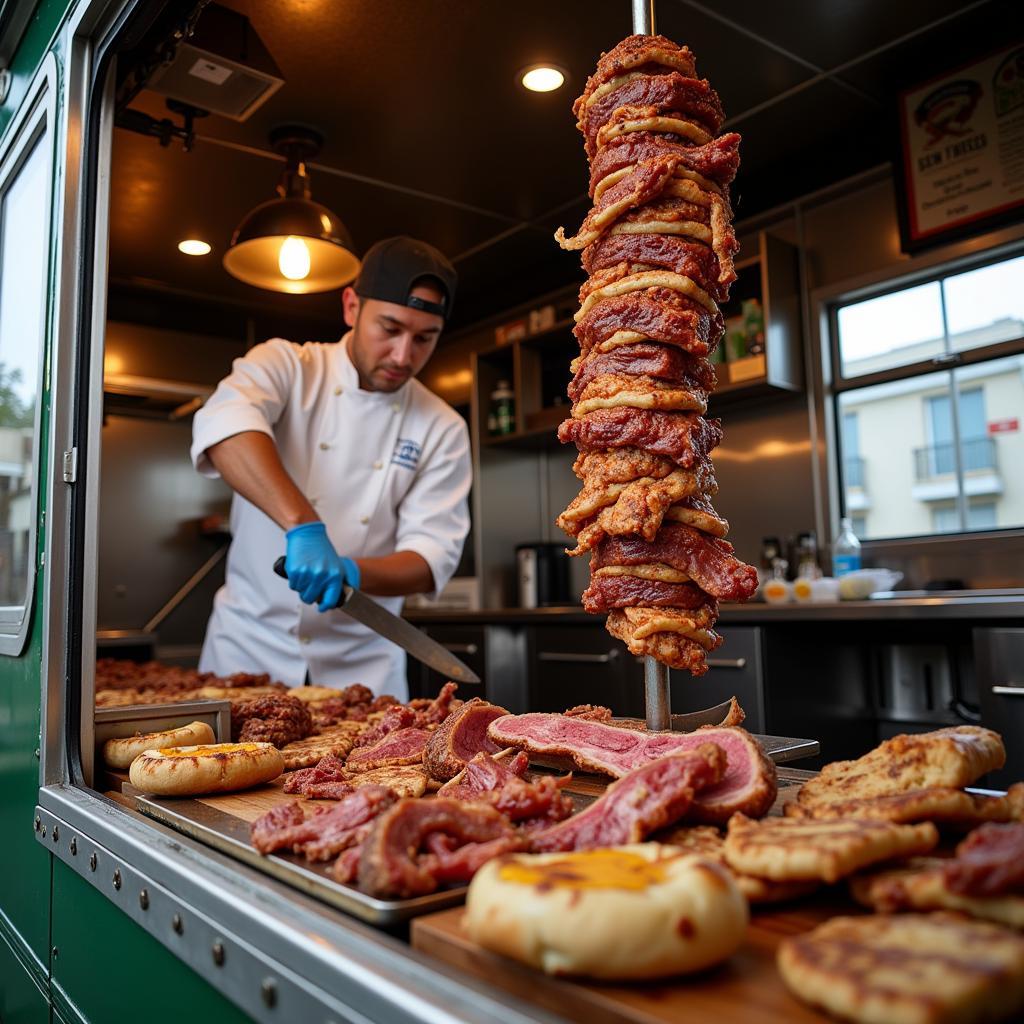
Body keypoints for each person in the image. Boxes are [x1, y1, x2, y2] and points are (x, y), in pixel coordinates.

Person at [190, 236, 471, 699]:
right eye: (390, 328)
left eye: (424, 338)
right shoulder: (285, 365)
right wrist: (304, 527)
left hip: (361, 671)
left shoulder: (442, 427)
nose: (404, 356)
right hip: (245, 656)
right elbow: (225, 429)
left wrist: (351, 573)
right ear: (351, 307)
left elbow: (430, 558)